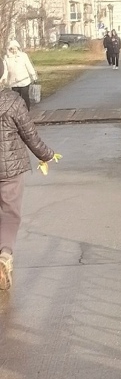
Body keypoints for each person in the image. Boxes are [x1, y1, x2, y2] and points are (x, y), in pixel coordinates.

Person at [0, 77, 59, 289]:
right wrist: (47, 155)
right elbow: (30, 136)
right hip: (11, 169)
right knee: (10, 214)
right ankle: (4, 255)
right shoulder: (13, 101)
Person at [2, 39, 38, 110]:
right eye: (11, 49)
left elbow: (29, 66)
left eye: (15, 48)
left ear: (18, 48)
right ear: (9, 49)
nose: (13, 50)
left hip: (24, 81)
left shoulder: (23, 56)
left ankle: (27, 110)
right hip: (13, 83)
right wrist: (3, 79)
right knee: (15, 99)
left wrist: (34, 76)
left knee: (25, 97)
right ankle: (18, 112)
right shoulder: (6, 58)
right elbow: (5, 70)